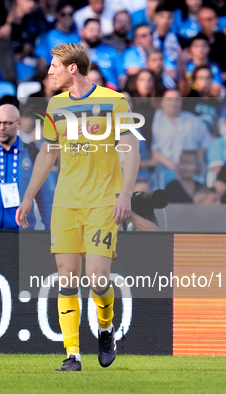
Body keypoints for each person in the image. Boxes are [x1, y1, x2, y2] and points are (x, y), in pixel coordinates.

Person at [16, 43, 140, 371]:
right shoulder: (55, 105)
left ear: (73, 68)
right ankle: (72, 355)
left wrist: (125, 195)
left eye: (54, 65)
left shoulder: (114, 101)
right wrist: (28, 196)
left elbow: (132, 149)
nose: (50, 72)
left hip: (103, 201)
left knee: (98, 278)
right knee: (66, 277)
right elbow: (47, 153)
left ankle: (105, 327)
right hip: (66, 203)